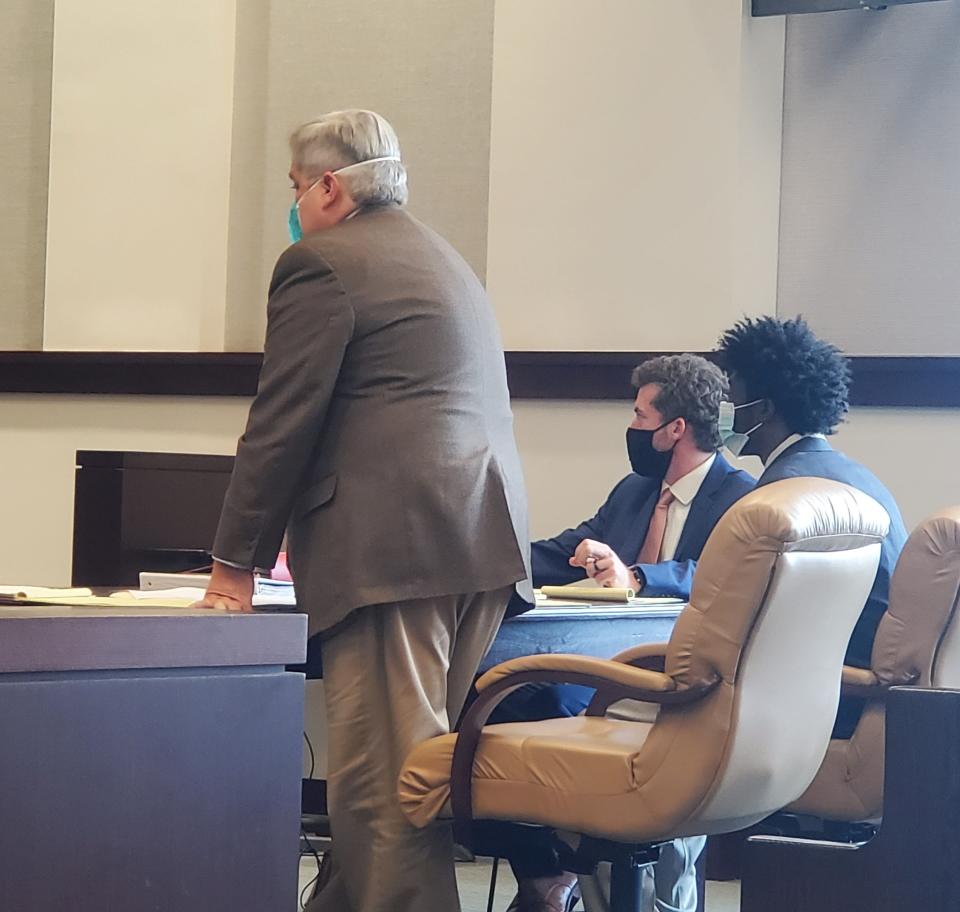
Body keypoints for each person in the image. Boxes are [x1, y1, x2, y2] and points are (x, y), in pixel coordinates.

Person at [197, 110, 531, 912]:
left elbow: (283, 421)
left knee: (384, 799)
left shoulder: (323, 260)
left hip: (396, 553)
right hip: (476, 541)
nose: (294, 207)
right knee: (404, 782)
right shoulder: (440, 256)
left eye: (294, 189)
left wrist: (232, 566)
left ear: (329, 185)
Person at [496, 354, 755, 912]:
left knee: (547, 700)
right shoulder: (635, 490)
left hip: (679, 675)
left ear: (674, 429)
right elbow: (570, 548)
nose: (633, 428)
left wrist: (636, 576)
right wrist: (489, 560)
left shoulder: (740, 496)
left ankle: (567, 869)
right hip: (603, 662)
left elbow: (714, 573)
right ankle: (548, 879)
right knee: (502, 700)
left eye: (640, 416)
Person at [717, 315, 908, 738]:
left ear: (763, 410)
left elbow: (748, 628)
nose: (722, 411)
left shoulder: (782, 495)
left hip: (819, 708)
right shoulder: (857, 476)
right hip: (870, 701)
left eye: (731, 396)